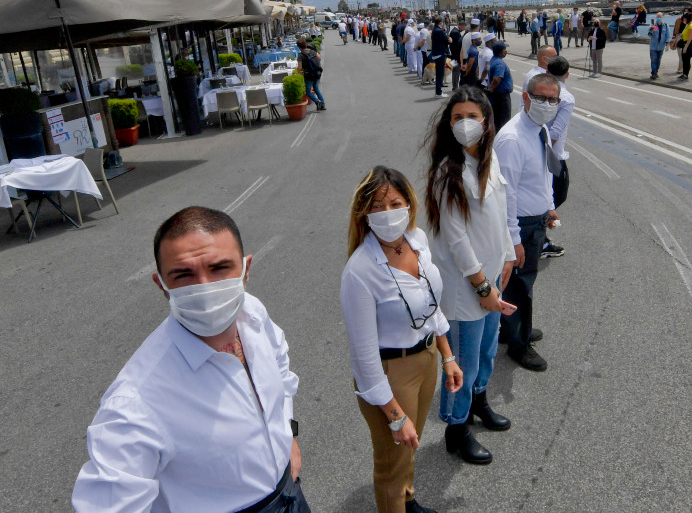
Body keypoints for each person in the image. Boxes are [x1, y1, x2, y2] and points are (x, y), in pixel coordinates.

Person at [72, 207, 309, 513]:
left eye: (220, 267)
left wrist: (287, 433)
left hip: (290, 493)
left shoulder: (250, 312)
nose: (205, 287)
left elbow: (279, 361)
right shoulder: (135, 402)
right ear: (162, 286)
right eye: (183, 274)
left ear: (245, 270)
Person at [341, 167, 463, 513]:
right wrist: (394, 415)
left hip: (426, 361)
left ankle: (409, 502)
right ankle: (398, 500)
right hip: (390, 374)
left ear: (409, 204)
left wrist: (448, 355)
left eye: (396, 203)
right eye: (377, 207)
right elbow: (364, 360)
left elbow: (430, 304)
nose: (388, 213)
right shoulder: (360, 271)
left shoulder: (416, 240)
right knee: (392, 465)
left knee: (411, 447)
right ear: (363, 214)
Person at [423, 88, 517, 465]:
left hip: (493, 277)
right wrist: (481, 286)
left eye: (472, 116)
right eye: (457, 117)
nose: (465, 124)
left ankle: (479, 402)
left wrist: (508, 256)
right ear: (449, 123)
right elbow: (456, 237)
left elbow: (499, 214)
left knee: (486, 352)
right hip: (469, 287)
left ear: (486, 120)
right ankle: (456, 428)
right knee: (463, 359)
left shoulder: (487, 161)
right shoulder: (449, 172)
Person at [494, 73, 563, 371]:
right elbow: (505, 194)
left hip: (535, 221)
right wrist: (514, 240)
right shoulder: (511, 139)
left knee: (523, 283)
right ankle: (518, 344)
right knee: (520, 285)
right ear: (525, 98)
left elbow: (545, 173)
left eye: (553, 100)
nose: (547, 104)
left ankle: (514, 327)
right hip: (519, 224)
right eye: (541, 98)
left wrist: (549, 207)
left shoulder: (541, 130)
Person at [541, 56, 574, 260]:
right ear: (567, 74)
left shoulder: (539, 86)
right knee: (558, 194)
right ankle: (538, 238)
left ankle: (539, 234)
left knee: (549, 195)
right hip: (552, 155)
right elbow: (556, 131)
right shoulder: (566, 97)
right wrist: (544, 156)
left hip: (538, 148)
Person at [487, 42, 514, 129]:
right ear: (500, 52)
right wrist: (491, 90)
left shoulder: (492, 60)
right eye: (504, 50)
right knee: (504, 121)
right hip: (501, 97)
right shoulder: (500, 64)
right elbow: (496, 79)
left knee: (496, 120)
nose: (506, 52)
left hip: (495, 95)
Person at [296, 39, 325, 111]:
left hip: (309, 75)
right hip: (317, 73)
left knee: (308, 92)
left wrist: (299, 73)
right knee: (316, 89)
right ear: (305, 44)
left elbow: (299, 68)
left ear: (299, 47)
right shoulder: (312, 51)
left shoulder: (301, 55)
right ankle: (323, 105)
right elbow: (319, 58)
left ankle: (317, 101)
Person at [431, 16, 451, 99]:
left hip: (436, 53)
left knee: (439, 73)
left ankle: (438, 92)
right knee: (440, 74)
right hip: (440, 54)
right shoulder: (440, 31)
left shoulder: (434, 30)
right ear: (440, 23)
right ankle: (438, 93)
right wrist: (445, 31)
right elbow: (449, 40)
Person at [649, 13, 670, 80]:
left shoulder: (665, 26)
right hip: (653, 46)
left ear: (662, 17)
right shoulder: (653, 25)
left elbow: (668, 35)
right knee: (653, 60)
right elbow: (649, 35)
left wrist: (667, 44)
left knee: (658, 60)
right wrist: (651, 30)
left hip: (661, 46)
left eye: (660, 17)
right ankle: (654, 74)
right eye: (657, 17)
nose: (659, 18)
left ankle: (655, 72)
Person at [677, 12, 692, 80]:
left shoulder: (691, 26)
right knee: (684, 59)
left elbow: (690, 37)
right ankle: (684, 73)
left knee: (687, 60)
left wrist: (686, 47)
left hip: (688, 44)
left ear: (687, 18)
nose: (684, 20)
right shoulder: (687, 25)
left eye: (684, 19)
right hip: (684, 43)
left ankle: (686, 74)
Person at [450, 20, 466, 91]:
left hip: (454, 55)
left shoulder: (454, 31)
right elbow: (456, 47)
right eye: (463, 28)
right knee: (456, 72)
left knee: (455, 71)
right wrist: (457, 57)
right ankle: (455, 87)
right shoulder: (456, 33)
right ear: (460, 26)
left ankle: (455, 86)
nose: (463, 30)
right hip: (456, 56)